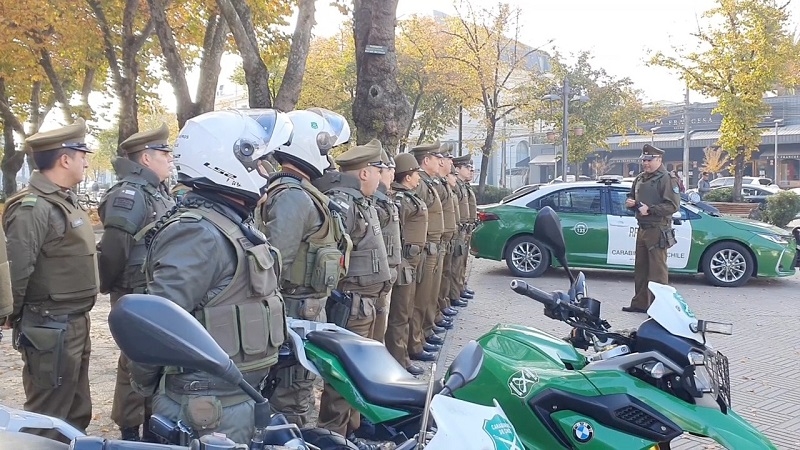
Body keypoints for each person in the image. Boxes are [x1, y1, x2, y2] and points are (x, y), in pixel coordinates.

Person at [128, 109, 294, 444]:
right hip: (206, 406)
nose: (264, 172)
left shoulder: (228, 222)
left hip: (233, 398)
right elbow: (156, 325)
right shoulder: (197, 231)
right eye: (258, 164)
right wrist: (146, 386)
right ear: (226, 163)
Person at [254, 107, 351, 427]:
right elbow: (275, 265)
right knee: (292, 398)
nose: (328, 156)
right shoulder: (292, 196)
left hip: (304, 312)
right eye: (324, 147)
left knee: (300, 390)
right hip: (294, 315)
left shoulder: (301, 191)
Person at [2, 118, 97, 440]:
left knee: (76, 410)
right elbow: (18, 268)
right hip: (49, 327)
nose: (86, 160)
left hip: (72, 322)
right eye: (82, 153)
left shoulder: (63, 199)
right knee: (46, 416)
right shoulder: (33, 207)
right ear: (65, 158)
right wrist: (11, 316)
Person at [97, 123, 176, 441]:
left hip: (153, 291)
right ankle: (130, 431)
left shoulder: (156, 191)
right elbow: (115, 246)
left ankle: (151, 425)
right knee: (134, 361)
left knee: (154, 360)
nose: (170, 159)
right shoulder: (129, 193)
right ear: (145, 158)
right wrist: (111, 287)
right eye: (164, 153)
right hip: (136, 292)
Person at [313, 139, 392, 441]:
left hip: (366, 302)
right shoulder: (343, 203)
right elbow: (331, 256)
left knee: (360, 374)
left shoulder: (361, 199)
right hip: (352, 303)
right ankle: (332, 435)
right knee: (341, 379)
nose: (382, 175)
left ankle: (352, 429)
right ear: (364, 173)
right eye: (377, 169)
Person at [384, 153, 428, 375]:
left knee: (407, 310)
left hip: (412, 262)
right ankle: (398, 360)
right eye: (416, 174)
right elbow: (394, 233)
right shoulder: (400, 200)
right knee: (400, 314)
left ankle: (402, 355)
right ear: (408, 177)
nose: (419, 178)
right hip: (403, 263)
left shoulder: (408, 197)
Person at [623, 144, 680, 313]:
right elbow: (631, 196)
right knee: (641, 270)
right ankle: (640, 304)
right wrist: (631, 203)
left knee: (657, 272)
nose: (645, 164)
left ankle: (660, 308)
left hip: (658, 229)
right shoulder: (640, 178)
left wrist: (651, 209)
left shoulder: (667, 179)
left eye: (649, 160)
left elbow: (673, 206)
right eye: (644, 160)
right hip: (642, 229)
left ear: (659, 160)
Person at [408, 142, 448, 364]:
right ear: (426, 160)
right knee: (420, 297)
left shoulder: (428, 182)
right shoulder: (420, 183)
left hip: (433, 244)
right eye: (436, 157)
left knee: (428, 295)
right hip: (423, 247)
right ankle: (415, 341)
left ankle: (422, 334)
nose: (440, 161)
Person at [371, 148, 402, 343]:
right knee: (375, 331)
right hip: (377, 276)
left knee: (381, 324)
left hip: (387, 273)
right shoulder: (374, 202)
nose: (393, 174)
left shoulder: (385, 199)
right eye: (388, 169)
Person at [451, 155, 474, 302]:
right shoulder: (457, 186)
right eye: (467, 167)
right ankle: (454, 294)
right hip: (458, 229)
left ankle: (460, 288)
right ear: (458, 169)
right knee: (455, 265)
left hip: (465, 229)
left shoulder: (464, 186)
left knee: (462, 263)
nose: (471, 170)